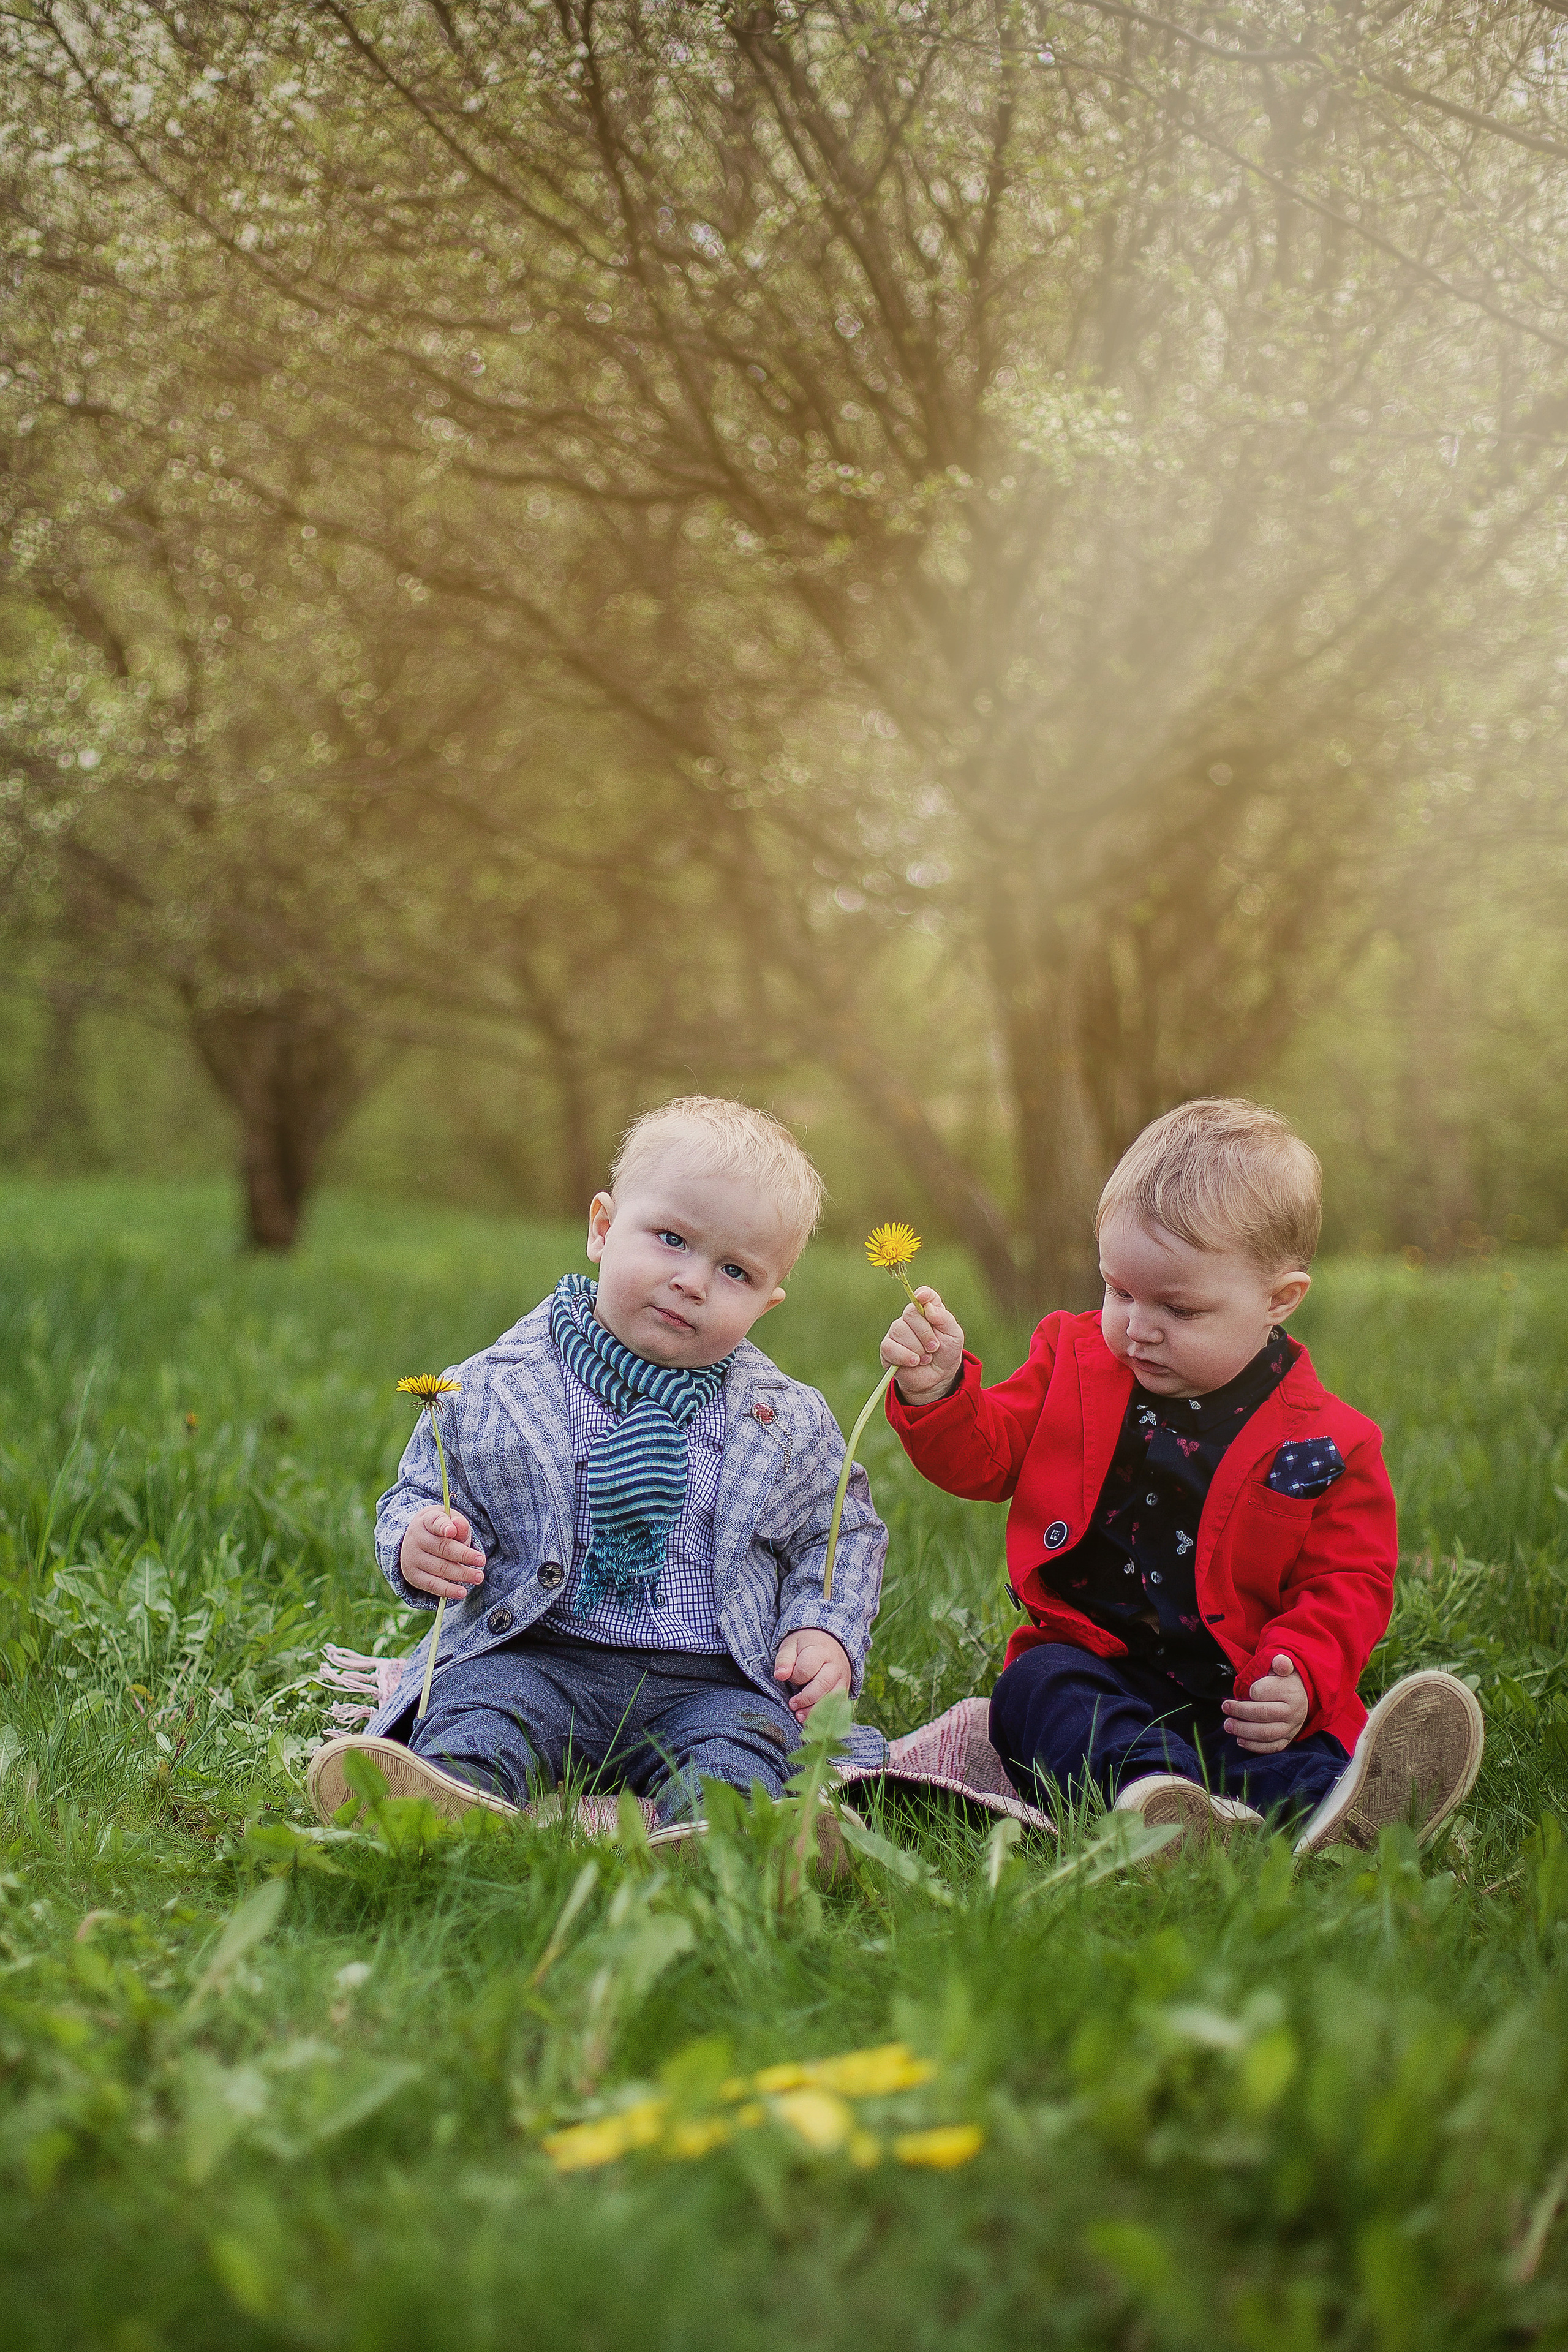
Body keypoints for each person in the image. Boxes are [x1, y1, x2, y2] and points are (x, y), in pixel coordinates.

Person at [879, 1098, 1483, 1853]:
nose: (1138, 1326)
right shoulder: (1072, 1363)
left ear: (1279, 1300)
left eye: (1180, 1308)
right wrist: (937, 1392)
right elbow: (986, 1456)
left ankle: (1343, 1815)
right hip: (1102, 1667)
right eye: (1120, 1291)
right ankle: (1157, 1805)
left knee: (1287, 1752)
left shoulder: (1329, 1443)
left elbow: (1349, 1579)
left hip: (1240, 1692)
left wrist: (1299, 1672)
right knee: (1033, 1694)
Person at [309, 1097, 888, 1840]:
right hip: (538, 1652)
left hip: (709, 1677)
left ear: (767, 1302)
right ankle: (446, 1801)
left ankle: (729, 1838)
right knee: (478, 1708)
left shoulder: (785, 1422)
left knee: (743, 1745)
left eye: (734, 1271)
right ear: (603, 1228)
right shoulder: (497, 1386)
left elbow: (836, 1534)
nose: (693, 1281)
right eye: (672, 1238)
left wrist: (824, 1627)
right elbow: (424, 1487)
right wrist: (418, 1540)